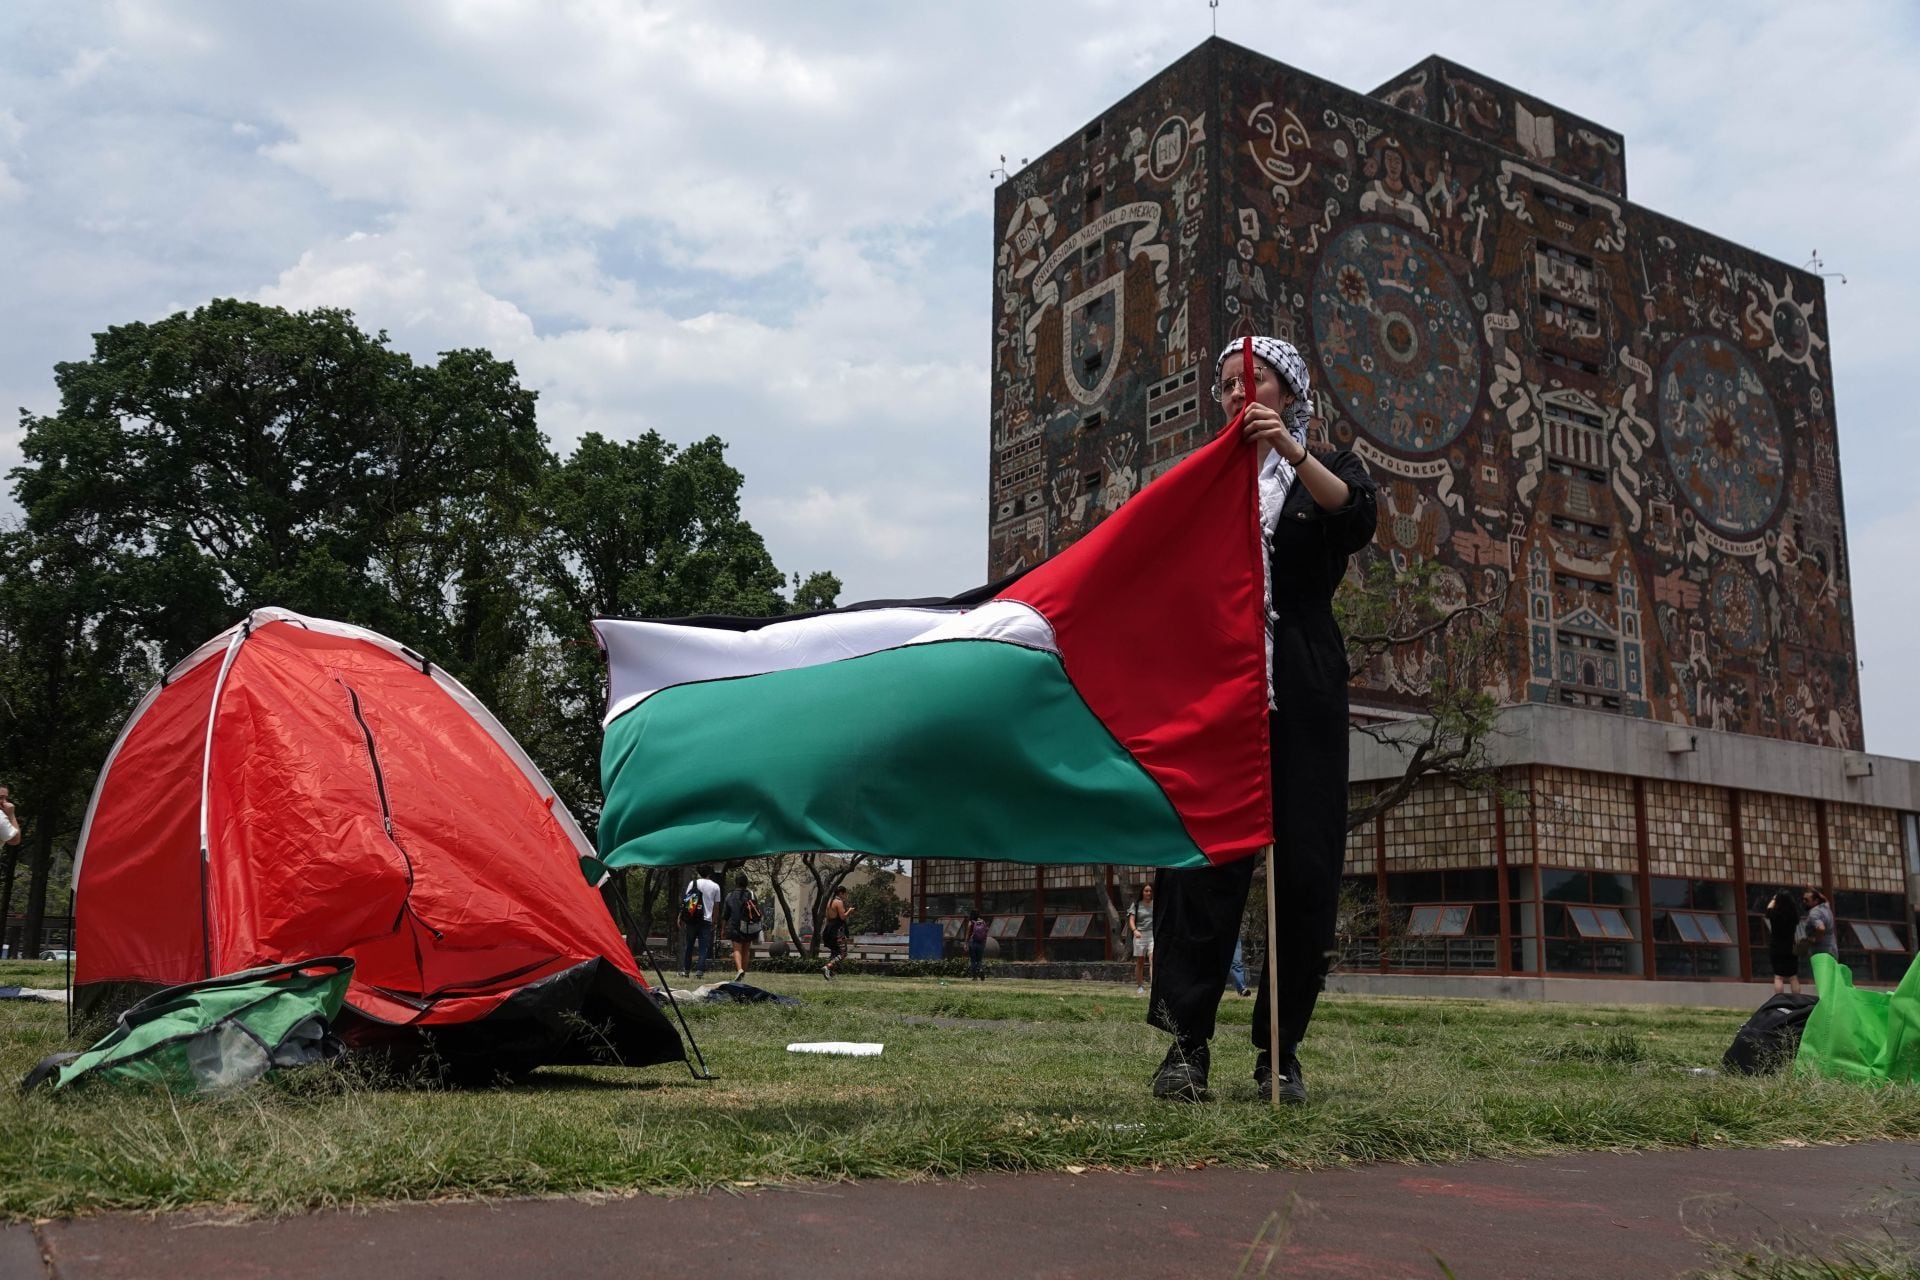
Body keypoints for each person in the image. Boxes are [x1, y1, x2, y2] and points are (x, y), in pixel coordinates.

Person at [1148, 334, 1377, 1105]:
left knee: (1306, 868)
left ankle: (1279, 1052)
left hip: (1304, 687)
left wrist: (1286, 450)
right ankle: (1186, 1046)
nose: (1234, 394)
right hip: (1218, 686)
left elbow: (1357, 518)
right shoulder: (1204, 481)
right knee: (1200, 863)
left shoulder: (1326, 469)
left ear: (1289, 392)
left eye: (1253, 380)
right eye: (1223, 384)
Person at [679, 865, 721, 979]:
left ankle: (686, 970)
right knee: (703, 947)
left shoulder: (693, 884)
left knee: (689, 945)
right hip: (706, 919)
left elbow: (686, 902)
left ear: (699, 872)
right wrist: (715, 921)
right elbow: (716, 906)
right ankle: (699, 971)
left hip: (692, 919)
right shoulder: (715, 886)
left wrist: (681, 916)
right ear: (710, 873)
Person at [721, 872, 762, 983]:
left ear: (736, 883)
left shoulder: (730, 895)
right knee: (746, 950)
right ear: (746, 883)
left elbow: (725, 914)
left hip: (734, 926)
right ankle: (744, 972)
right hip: (748, 926)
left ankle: (739, 970)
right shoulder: (751, 894)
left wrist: (723, 928)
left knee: (737, 949)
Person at [1765, 888, 1801, 995]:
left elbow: (1768, 910)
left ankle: (1779, 1000)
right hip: (1791, 947)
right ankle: (1797, 999)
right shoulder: (1793, 915)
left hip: (1776, 947)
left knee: (1778, 977)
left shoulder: (1774, 915)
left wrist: (1774, 899)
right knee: (1793, 977)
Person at [1125, 885, 1155, 994]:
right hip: (1140, 934)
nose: (1148, 893)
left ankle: (1153, 986)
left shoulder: (1155, 904)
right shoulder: (1136, 905)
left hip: (1152, 934)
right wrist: (1134, 930)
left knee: (1153, 959)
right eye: (1146, 891)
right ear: (1142, 892)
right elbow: (1131, 920)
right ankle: (1139, 986)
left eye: (1150, 891)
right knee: (1140, 961)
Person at [820, 886, 851, 980]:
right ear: (841, 893)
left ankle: (830, 974)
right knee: (843, 953)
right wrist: (850, 910)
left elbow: (827, 916)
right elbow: (842, 917)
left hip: (829, 930)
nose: (846, 895)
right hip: (838, 931)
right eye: (845, 893)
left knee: (834, 953)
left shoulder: (830, 902)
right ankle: (828, 966)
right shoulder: (838, 902)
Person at [1802, 889, 1839, 963]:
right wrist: (1812, 889)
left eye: (1806, 900)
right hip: (1832, 950)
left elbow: (1821, 928)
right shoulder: (1825, 906)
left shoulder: (1814, 913)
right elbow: (1825, 899)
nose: (1804, 902)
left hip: (1820, 954)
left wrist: (1815, 939)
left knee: (1820, 974)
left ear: (1816, 901)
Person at [966, 910, 989, 981]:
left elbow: (967, 933)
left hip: (973, 942)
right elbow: (985, 933)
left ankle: (975, 977)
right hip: (981, 943)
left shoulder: (971, 922)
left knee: (973, 960)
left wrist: (965, 943)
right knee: (979, 960)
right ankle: (981, 970)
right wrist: (984, 943)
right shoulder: (983, 922)